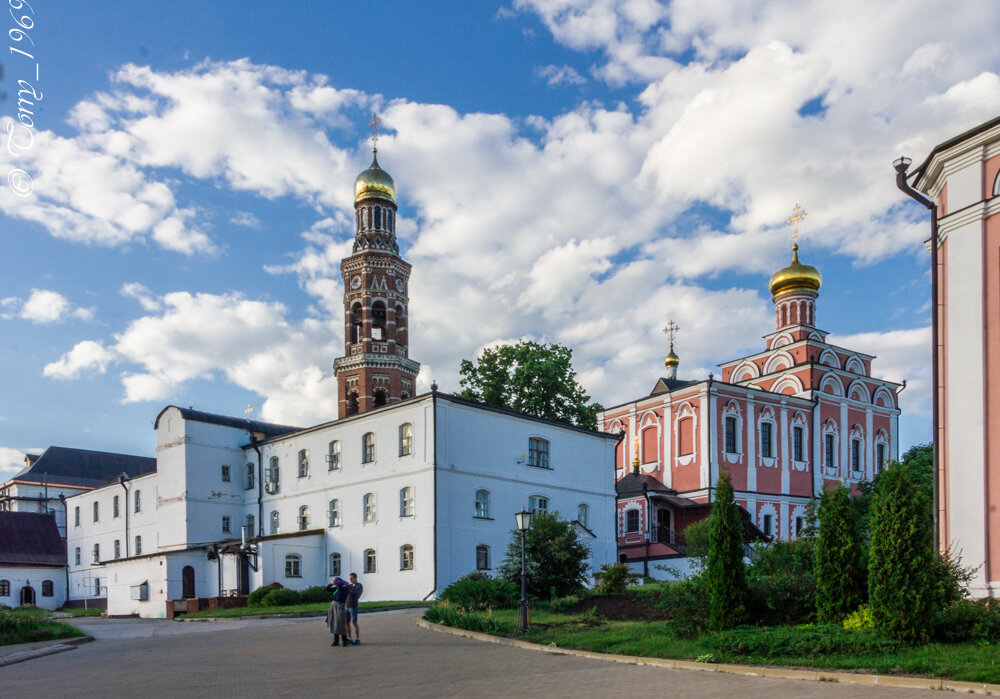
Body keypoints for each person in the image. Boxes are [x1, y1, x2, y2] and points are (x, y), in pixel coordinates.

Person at [324, 576, 351, 647]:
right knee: (334, 623)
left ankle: (344, 640)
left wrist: (338, 584)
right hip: (333, 606)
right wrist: (331, 584)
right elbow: (326, 589)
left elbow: (343, 590)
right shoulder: (337, 588)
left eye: (335, 581)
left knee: (341, 623)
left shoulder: (344, 588)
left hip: (340, 606)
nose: (334, 583)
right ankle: (336, 640)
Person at [344, 572, 364, 645]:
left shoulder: (359, 586)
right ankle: (349, 638)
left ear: (355, 578)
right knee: (347, 622)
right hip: (347, 606)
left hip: (353, 606)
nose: (350, 580)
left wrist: (349, 587)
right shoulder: (350, 586)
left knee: (354, 622)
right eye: (349, 579)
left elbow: (356, 593)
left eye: (351, 578)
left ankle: (357, 638)